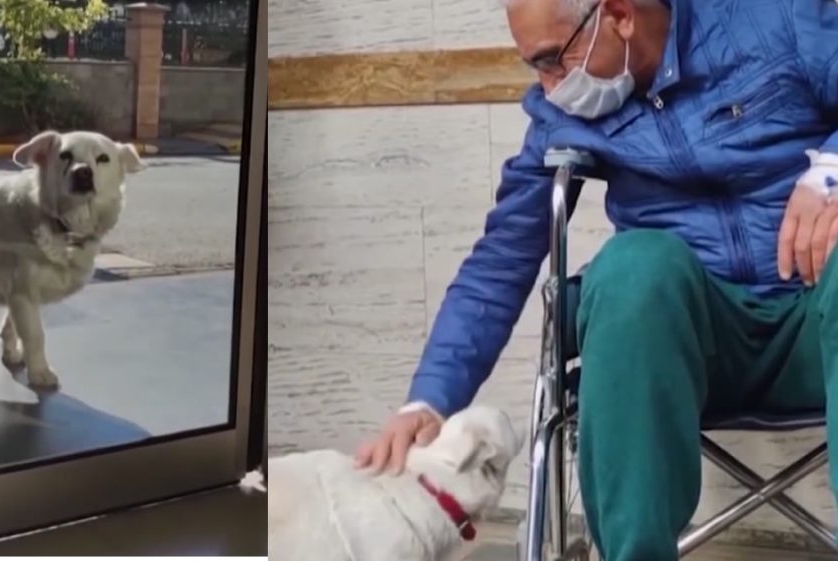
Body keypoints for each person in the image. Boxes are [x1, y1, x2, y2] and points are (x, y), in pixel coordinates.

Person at [354, 0, 838, 559]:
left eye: (555, 60)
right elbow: (502, 256)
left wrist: (832, 165)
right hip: (686, 350)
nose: (550, 86)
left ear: (621, 15)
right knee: (634, 267)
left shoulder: (776, 17)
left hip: (817, 324)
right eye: (534, 67)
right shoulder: (565, 114)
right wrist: (428, 402)